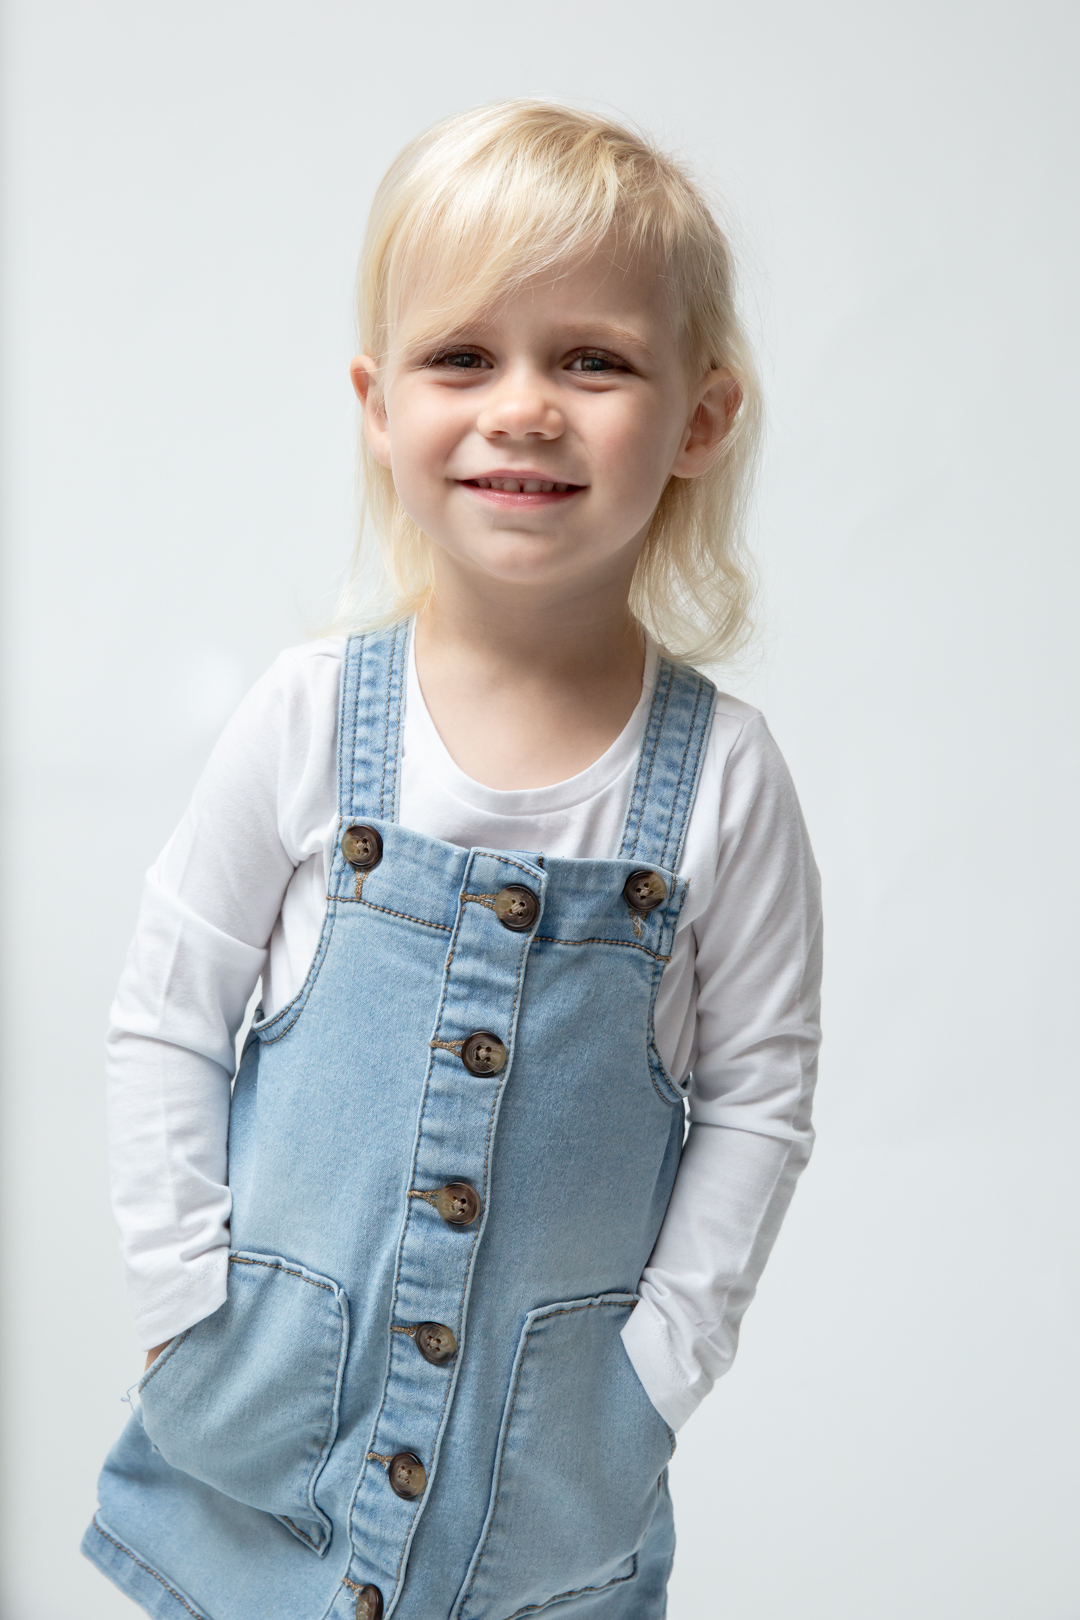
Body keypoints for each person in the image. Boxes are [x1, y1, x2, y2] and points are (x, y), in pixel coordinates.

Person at [83, 100, 822, 1620]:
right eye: (462, 357)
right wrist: (180, 1311)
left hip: (538, 1485)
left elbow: (759, 1097)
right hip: (262, 1452)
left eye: (593, 359)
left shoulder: (725, 783)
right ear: (378, 402)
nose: (525, 407)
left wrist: (657, 1375)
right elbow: (168, 1012)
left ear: (699, 418)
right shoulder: (307, 721)